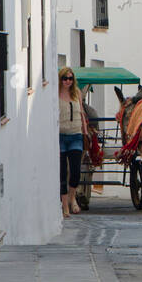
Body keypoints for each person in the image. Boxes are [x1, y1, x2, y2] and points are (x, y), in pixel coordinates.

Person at [58, 66, 90, 217]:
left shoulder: (76, 93)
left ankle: (72, 199)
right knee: (63, 172)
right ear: (61, 79)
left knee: (76, 171)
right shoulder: (56, 94)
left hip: (76, 135)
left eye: (70, 78)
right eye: (65, 78)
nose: (68, 81)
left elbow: (81, 113)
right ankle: (65, 206)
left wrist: (85, 131)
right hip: (61, 136)